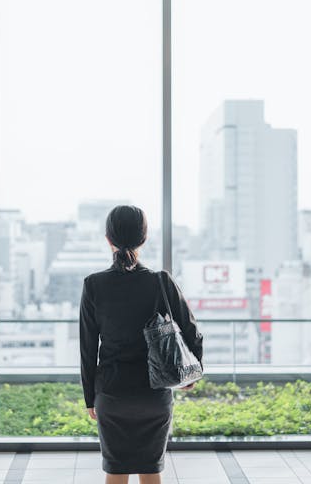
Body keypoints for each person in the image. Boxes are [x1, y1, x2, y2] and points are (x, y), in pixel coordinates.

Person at [80, 205, 204, 484]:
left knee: (116, 473)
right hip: (154, 395)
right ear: (144, 238)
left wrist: (90, 397)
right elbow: (192, 331)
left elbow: (87, 349)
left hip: (112, 395)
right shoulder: (161, 281)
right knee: (151, 473)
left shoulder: (93, 285)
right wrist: (192, 374)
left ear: (108, 239)